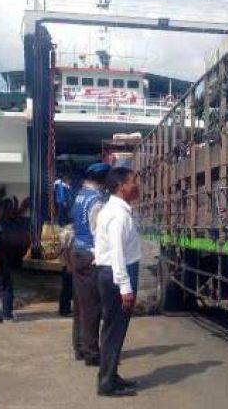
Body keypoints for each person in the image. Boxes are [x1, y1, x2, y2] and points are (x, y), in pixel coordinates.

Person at [94, 167, 140, 397]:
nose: (137, 185)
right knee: (114, 330)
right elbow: (117, 252)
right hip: (116, 274)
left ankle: (110, 375)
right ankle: (106, 383)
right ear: (121, 186)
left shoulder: (116, 210)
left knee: (114, 330)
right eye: (133, 181)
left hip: (113, 273)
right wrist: (125, 286)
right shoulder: (118, 214)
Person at [70, 163, 111, 364]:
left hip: (77, 252)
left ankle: (79, 347)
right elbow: (98, 233)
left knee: (79, 303)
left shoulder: (79, 196)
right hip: (89, 255)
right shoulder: (96, 201)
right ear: (102, 180)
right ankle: (91, 353)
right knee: (93, 307)